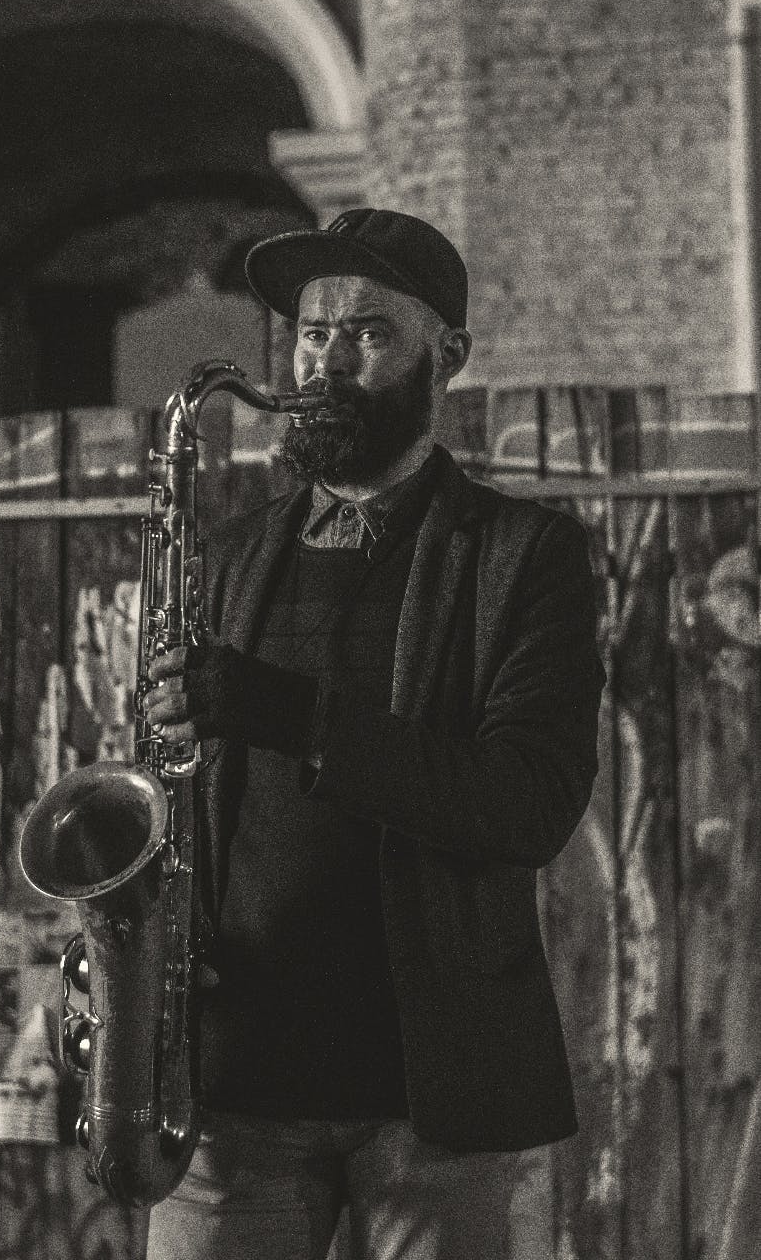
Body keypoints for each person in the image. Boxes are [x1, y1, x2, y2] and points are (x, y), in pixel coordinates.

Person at [141, 207, 605, 1260]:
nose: (325, 363)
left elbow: (525, 801)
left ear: (450, 354)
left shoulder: (524, 556)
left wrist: (289, 713)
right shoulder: (225, 554)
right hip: (233, 1084)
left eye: (368, 334)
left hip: (435, 1096)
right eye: (310, 334)